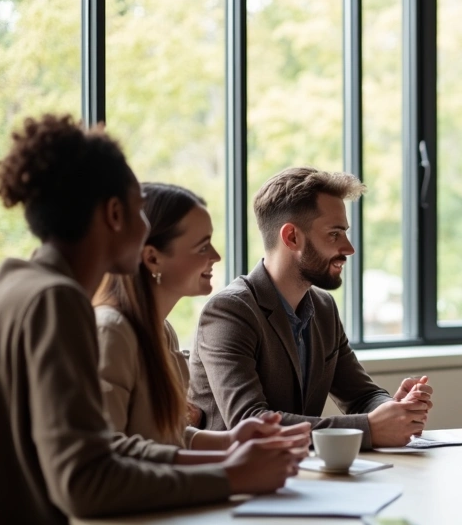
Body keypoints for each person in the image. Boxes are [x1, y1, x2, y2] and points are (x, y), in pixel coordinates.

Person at [0, 114, 310, 525]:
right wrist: (230, 476)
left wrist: (225, 454)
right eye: (141, 213)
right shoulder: (57, 303)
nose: (145, 232)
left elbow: (108, 446)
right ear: (114, 214)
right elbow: (87, 482)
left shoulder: (13, 287)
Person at [189, 166, 432, 448]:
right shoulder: (229, 312)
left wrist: (392, 410)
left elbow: (361, 396)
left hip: (300, 476)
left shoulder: (323, 307)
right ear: (292, 237)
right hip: (235, 481)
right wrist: (369, 429)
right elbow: (250, 421)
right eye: (334, 234)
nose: (349, 248)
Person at [94, 182, 305, 451]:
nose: (216, 256)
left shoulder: (162, 330)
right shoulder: (110, 333)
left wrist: (233, 440)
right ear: (153, 258)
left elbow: (165, 438)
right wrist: (229, 469)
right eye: (202, 246)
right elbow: (109, 455)